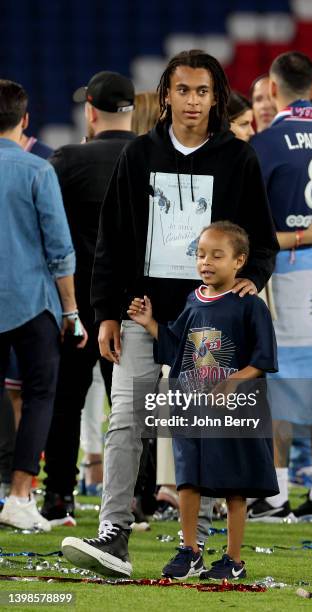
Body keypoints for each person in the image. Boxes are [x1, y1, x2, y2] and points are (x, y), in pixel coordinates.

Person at [61, 48, 279, 578]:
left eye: (203, 91)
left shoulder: (239, 159)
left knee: (198, 425)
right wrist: (106, 313)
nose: (193, 101)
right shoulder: (137, 155)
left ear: (216, 97)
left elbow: (263, 241)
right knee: (127, 421)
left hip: (209, 321)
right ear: (166, 95)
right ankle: (114, 533)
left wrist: (256, 276)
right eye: (183, 90)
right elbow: (112, 240)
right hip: (141, 311)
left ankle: (197, 544)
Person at [127, 221, 278, 580]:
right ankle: (190, 550)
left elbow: (264, 359)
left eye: (216, 255)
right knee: (187, 481)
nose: (206, 262)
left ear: (239, 261)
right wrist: (150, 325)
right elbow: (177, 345)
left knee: (234, 485)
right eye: (200, 254)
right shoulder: (193, 299)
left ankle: (233, 560)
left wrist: (233, 381)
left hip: (233, 414)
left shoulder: (250, 305)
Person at [249, 52, 312, 522]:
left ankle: (276, 493)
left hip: (284, 270)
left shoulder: (268, 143)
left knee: (277, 382)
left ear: (272, 86)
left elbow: (253, 221)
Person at [41, 71, 137, 526]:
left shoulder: (68, 159)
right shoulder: (151, 156)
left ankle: (59, 496)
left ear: (91, 111)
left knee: (67, 401)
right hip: (137, 305)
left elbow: (49, 232)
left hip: (79, 306)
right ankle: (137, 498)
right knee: (133, 404)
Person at [0, 79, 85, 531]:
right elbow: (60, 249)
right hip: (33, 304)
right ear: (25, 120)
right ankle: (19, 495)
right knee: (39, 396)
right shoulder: (37, 169)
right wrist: (71, 311)